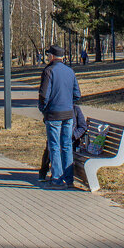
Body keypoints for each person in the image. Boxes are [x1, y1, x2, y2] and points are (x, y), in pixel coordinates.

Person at [38, 44, 81, 188]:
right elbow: (77, 94)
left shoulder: (49, 71)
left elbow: (44, 95)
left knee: (54, 146)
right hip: (68, 115)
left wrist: (43, 109)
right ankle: (69, 179)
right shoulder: (70, 71)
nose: (47, 57)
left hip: (53, 115)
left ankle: (56, 178)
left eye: (48, 54)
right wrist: (68, 104)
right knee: (67, 146)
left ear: (52, 56)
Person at [39, 104, 87, 181]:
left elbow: (83, 127)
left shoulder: (75, 109)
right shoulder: (55, 108)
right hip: (57, 138)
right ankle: (44, 172)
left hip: (71, 140)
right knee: (50, 147)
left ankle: (58, 176)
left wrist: (74, 135)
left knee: (61, 148)